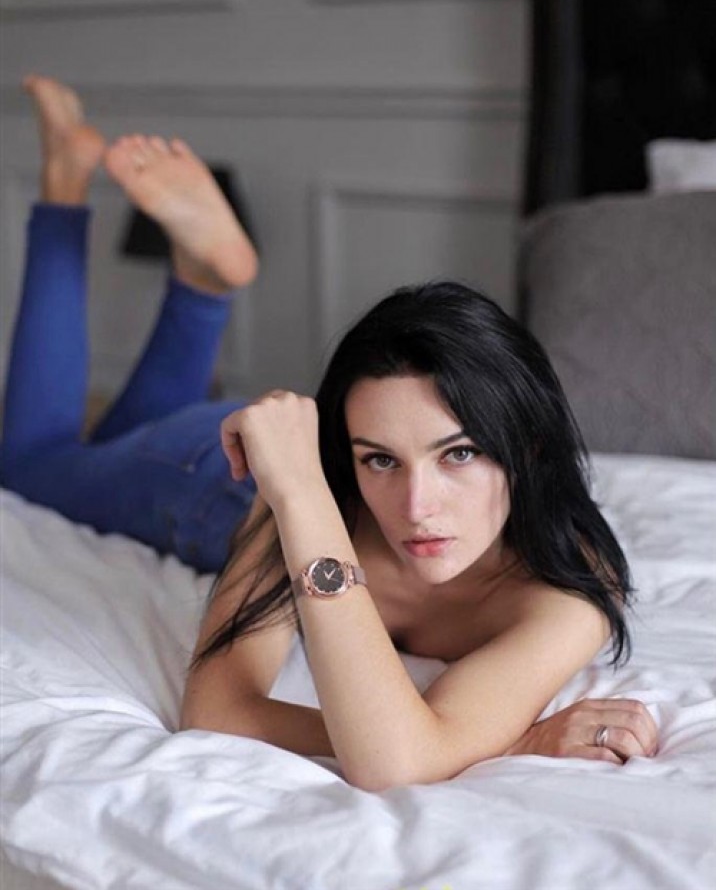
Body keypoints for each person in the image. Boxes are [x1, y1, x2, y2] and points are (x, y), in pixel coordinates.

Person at [1, 76, 658, 791]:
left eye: (459, 453)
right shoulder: (304, 492)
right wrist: (300, 496)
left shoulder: (570, 588)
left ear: (528, 447)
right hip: (209, 475)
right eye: (380, 460)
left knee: (121, 431)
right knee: (31, 463)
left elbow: (402, 756)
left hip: (280, 463)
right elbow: (218, 712)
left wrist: (439, 741)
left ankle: (203, 286)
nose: (416, 507)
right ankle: (66, 185)